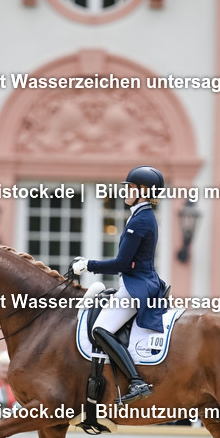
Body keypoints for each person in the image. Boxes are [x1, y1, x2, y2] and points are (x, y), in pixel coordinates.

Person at [71, 166, 167, 405]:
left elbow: (122, 263)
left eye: (131, 188)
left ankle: (136, 380)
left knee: (100, 329)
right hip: (137, 282)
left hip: (138, 287)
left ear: (144, 192)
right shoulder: (139, 215)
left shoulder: (142, 220)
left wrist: (88, 265)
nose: (126, 191)